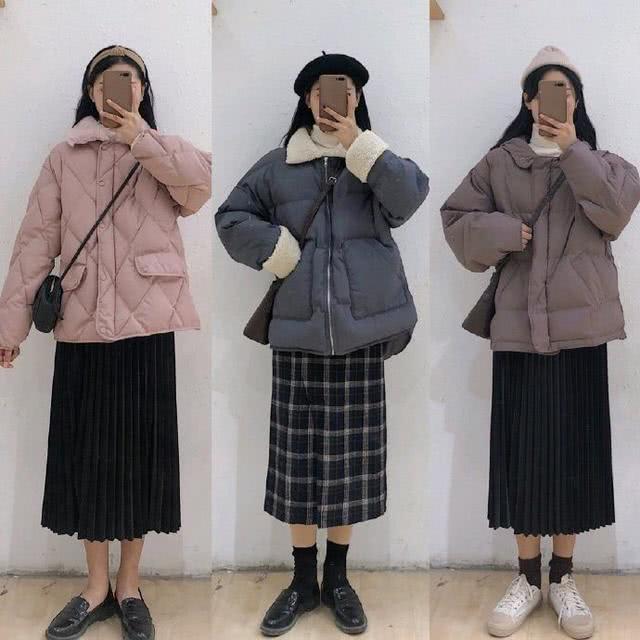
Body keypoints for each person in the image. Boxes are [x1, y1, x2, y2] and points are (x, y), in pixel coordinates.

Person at [0, 44, 211, 640]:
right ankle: (95, 586)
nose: (118, 89)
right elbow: (35, 243)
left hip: (148, 326)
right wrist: (9, 329)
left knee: (141, 456)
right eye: (106, 81)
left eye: (130, 80)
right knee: (88, 457)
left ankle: (130, 585)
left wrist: (142, 136)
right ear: (91, 92)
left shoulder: (162, 150)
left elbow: (199, 188)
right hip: (83, 325)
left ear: (143, 90)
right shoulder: (63, 156)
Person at [216, 52, 429, 636]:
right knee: (297, 465)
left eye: (343, 89)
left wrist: (361, 145)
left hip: (360, 335)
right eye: (320, 91)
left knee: (350, 464)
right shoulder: (279, 164)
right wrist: (276, 248)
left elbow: (410, 199)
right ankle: (301, 580)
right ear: (307, 100)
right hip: (299, 335)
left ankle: (338, 578)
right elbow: (230, 217)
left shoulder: (376, 160)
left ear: (356, 99)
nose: (331, 99)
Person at [441, 46, 640, 639]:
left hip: (581, 333)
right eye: (548, 91)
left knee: (575, 455)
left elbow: (614, 215)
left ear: (577, 102)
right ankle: (528, 577)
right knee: (523, 454)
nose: (557, 100)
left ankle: (563, 578)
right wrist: (506, 231)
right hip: (519, 331)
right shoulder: (501, 162)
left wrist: (574, 149)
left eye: (567, 91)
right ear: (529, 101)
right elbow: (456, 220)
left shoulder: (605, 164)